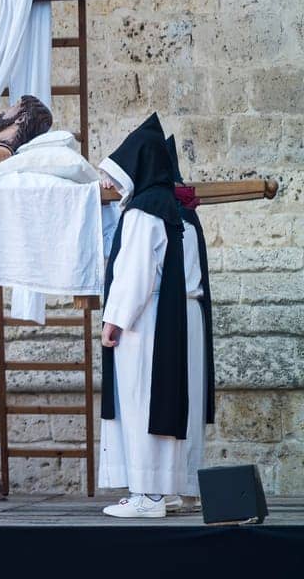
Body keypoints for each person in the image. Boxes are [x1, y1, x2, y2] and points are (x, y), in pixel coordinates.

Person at [97, 114, 209, 519]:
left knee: (147, 399)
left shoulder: (145, 211)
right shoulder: (181, 208)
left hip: (154, 322)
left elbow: (136, 273)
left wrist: (113, 320)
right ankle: (181, 490)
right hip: (186, 320)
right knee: (182, 402)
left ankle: (148, 495)